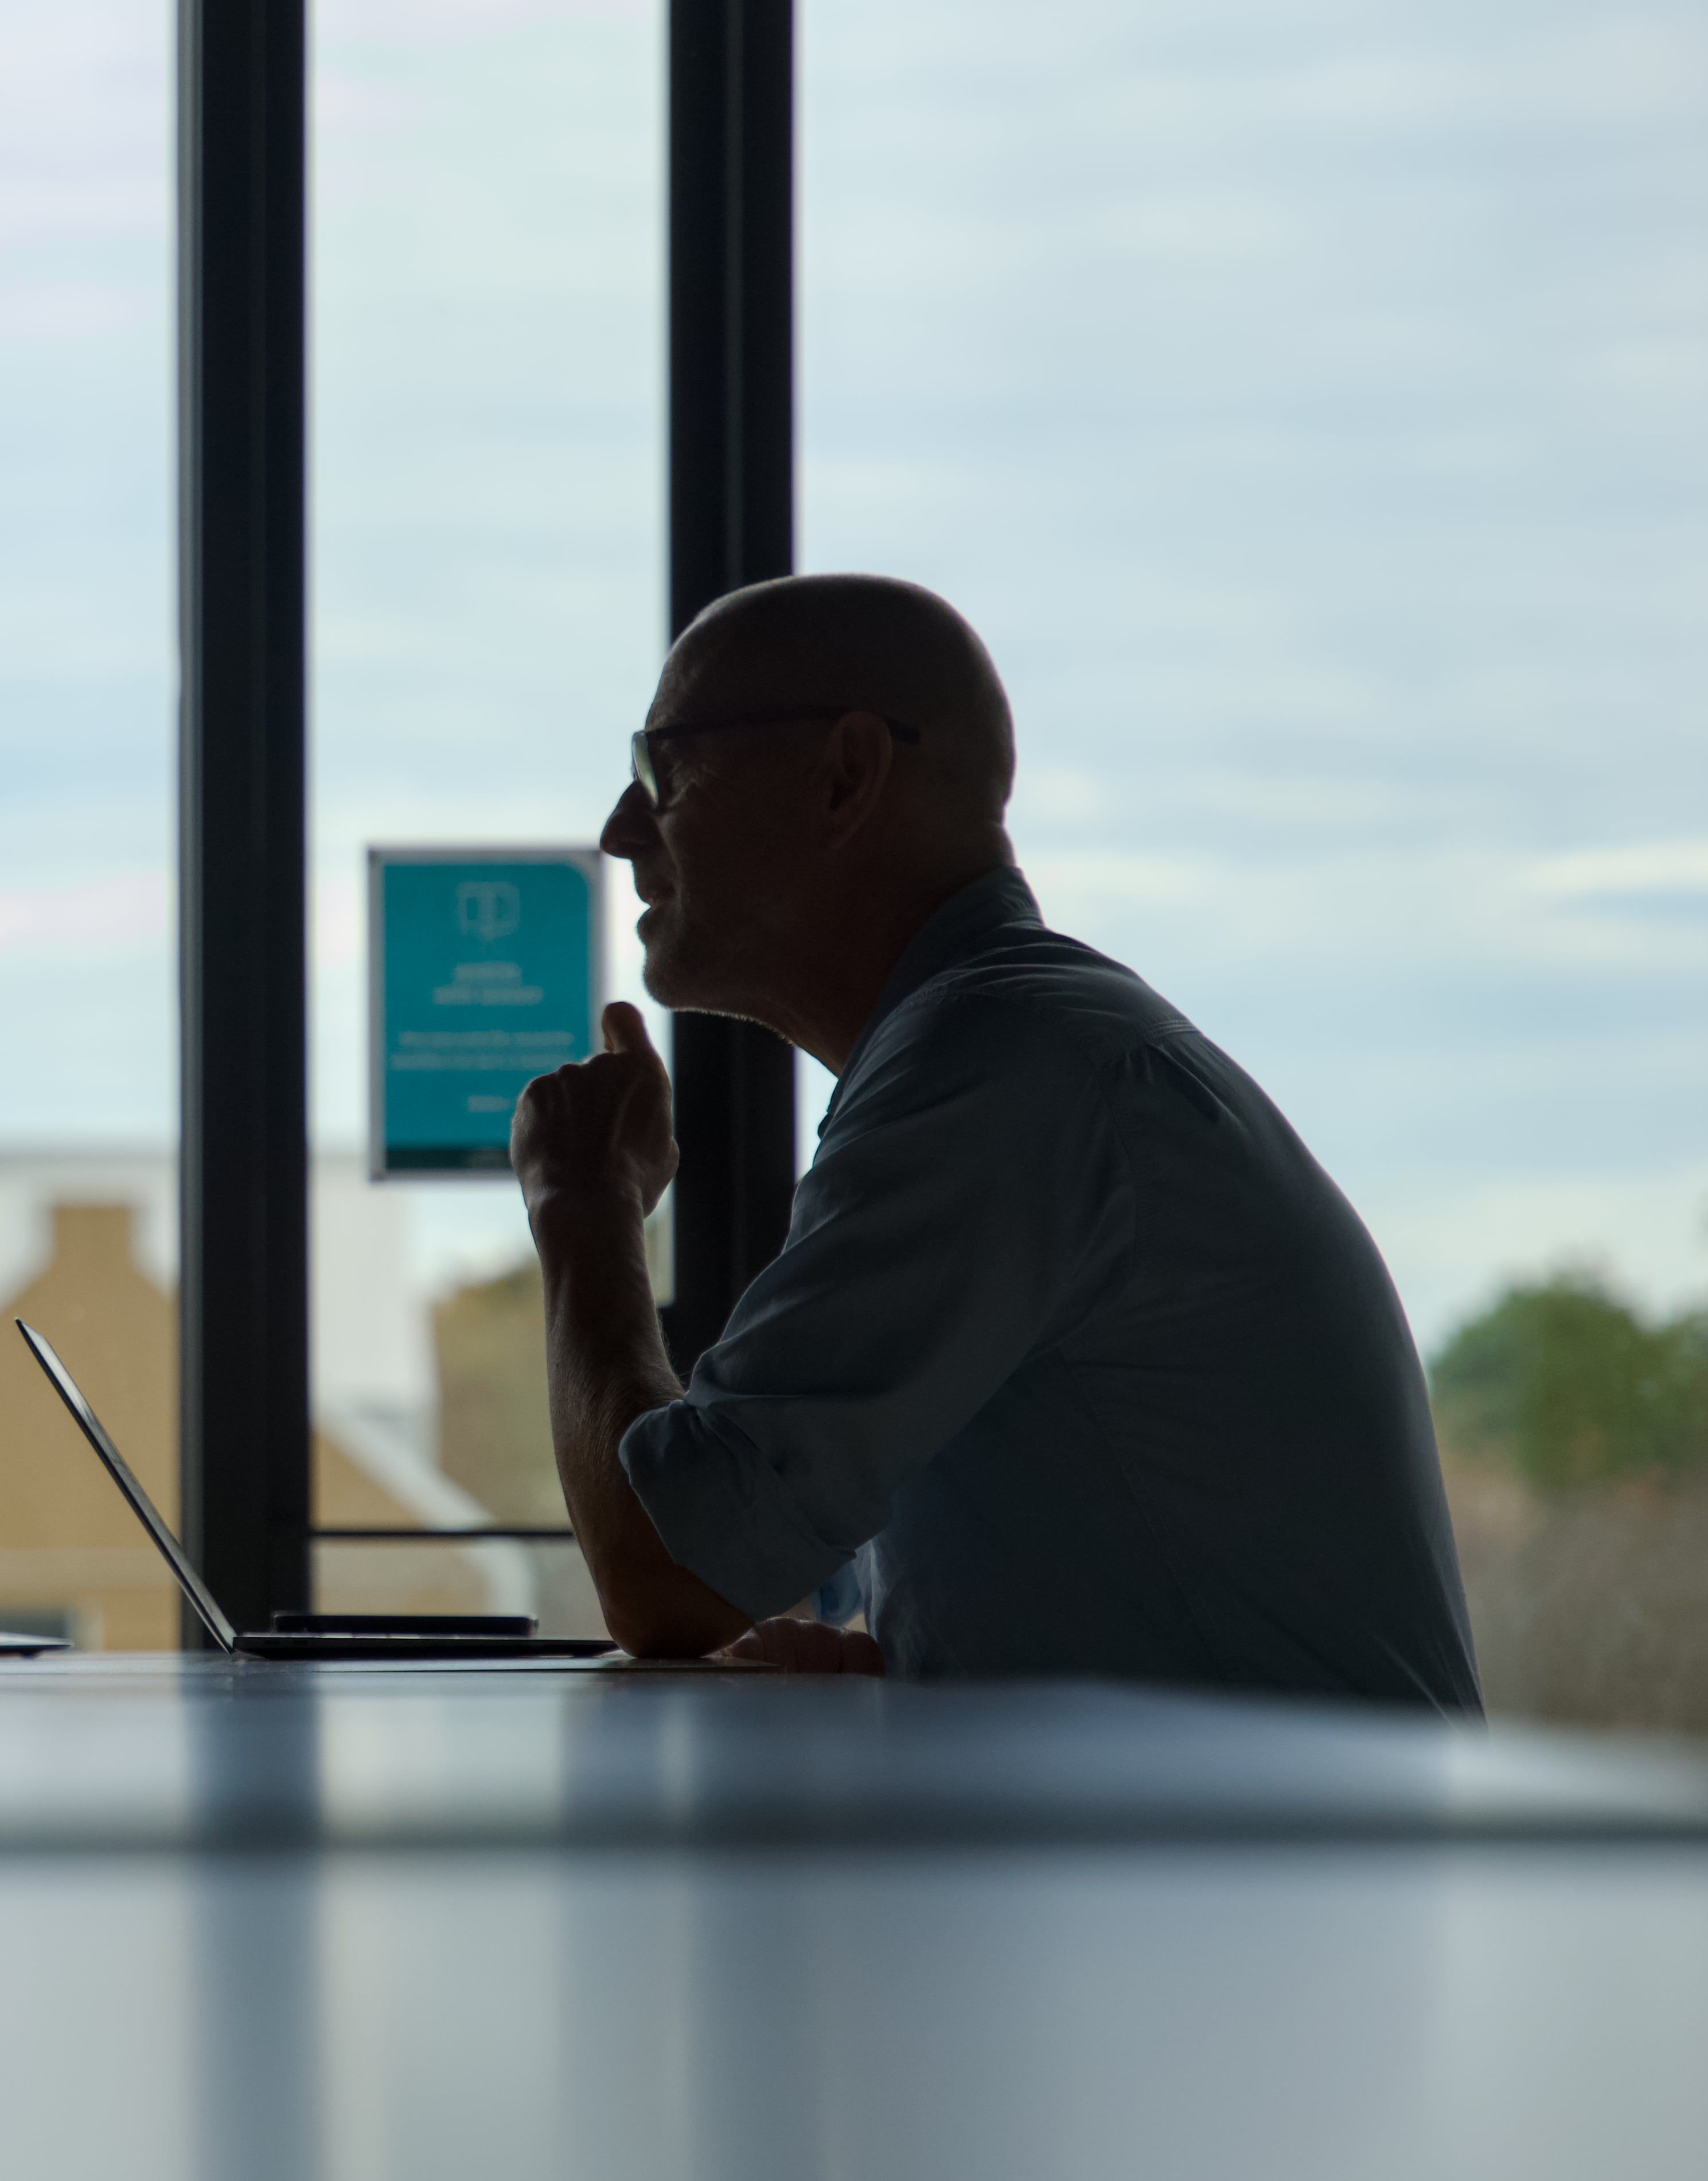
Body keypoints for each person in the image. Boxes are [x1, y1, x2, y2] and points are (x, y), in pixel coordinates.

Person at [509, 572, 1480, 1709]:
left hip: (1257, 1881)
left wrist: (585, 1205)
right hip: (1248, 1862)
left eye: (662, 771)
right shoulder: (1020, 1047)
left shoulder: (998, 1064)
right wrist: (900, 1672)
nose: (621, 831)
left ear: (846, 775)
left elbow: (666, 1573)